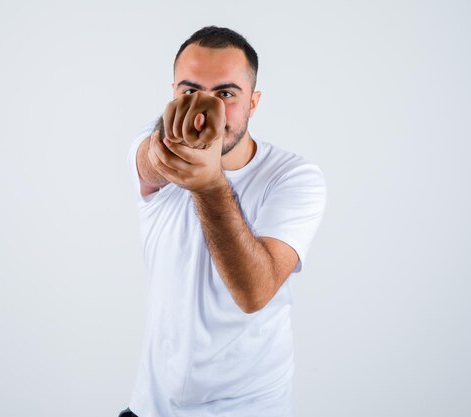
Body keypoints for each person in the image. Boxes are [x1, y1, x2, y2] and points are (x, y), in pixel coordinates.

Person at [121, 25, 327, 417]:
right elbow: (151, 162)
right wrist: (176, 149)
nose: (205, 110)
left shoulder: (295, 177)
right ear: (174, 94)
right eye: (190, 92)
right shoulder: (154, 149)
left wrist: (210, 185)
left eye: (226, 94)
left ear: (254, 102)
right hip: (151, 407)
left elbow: (254, 293)